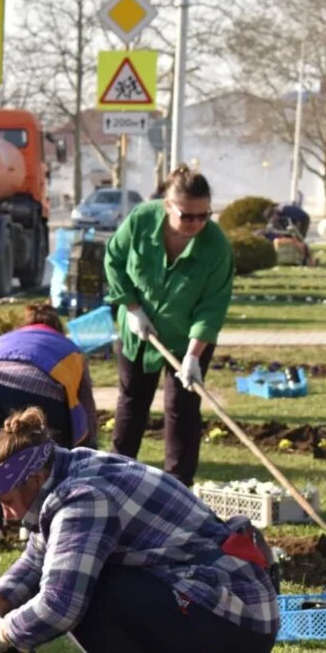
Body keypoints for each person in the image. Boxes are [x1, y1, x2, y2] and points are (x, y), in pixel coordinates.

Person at [0, 408, 279, 653]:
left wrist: (2, 633)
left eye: (7, 501)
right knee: (73, 572)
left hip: (233, 619)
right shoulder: (64, 468)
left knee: (87, 590)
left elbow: (61, 604)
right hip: (219, 602)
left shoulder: (82, 498)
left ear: (33, 479)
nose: (6, 514)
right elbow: (39, 555)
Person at [104, 165, 233, 489]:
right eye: (188, 216)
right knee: (132, 401)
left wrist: (192, 356)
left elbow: (212, 305)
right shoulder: (141, 220)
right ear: (167, 205)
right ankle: (117, 479)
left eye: (204, 215)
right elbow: (114, 260)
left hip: (187, 338)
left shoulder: (215, 246)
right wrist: (132, 307)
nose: (197, 224)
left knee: (183, 409)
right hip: (138, 330)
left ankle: (179, 488)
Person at [0, 302, 97, 549]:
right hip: (40, 394)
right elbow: (86, 408)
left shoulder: (4, 339)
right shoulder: (71, 350)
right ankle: (31, 527)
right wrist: (87, 451)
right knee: (39, 457)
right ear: (57, 327)